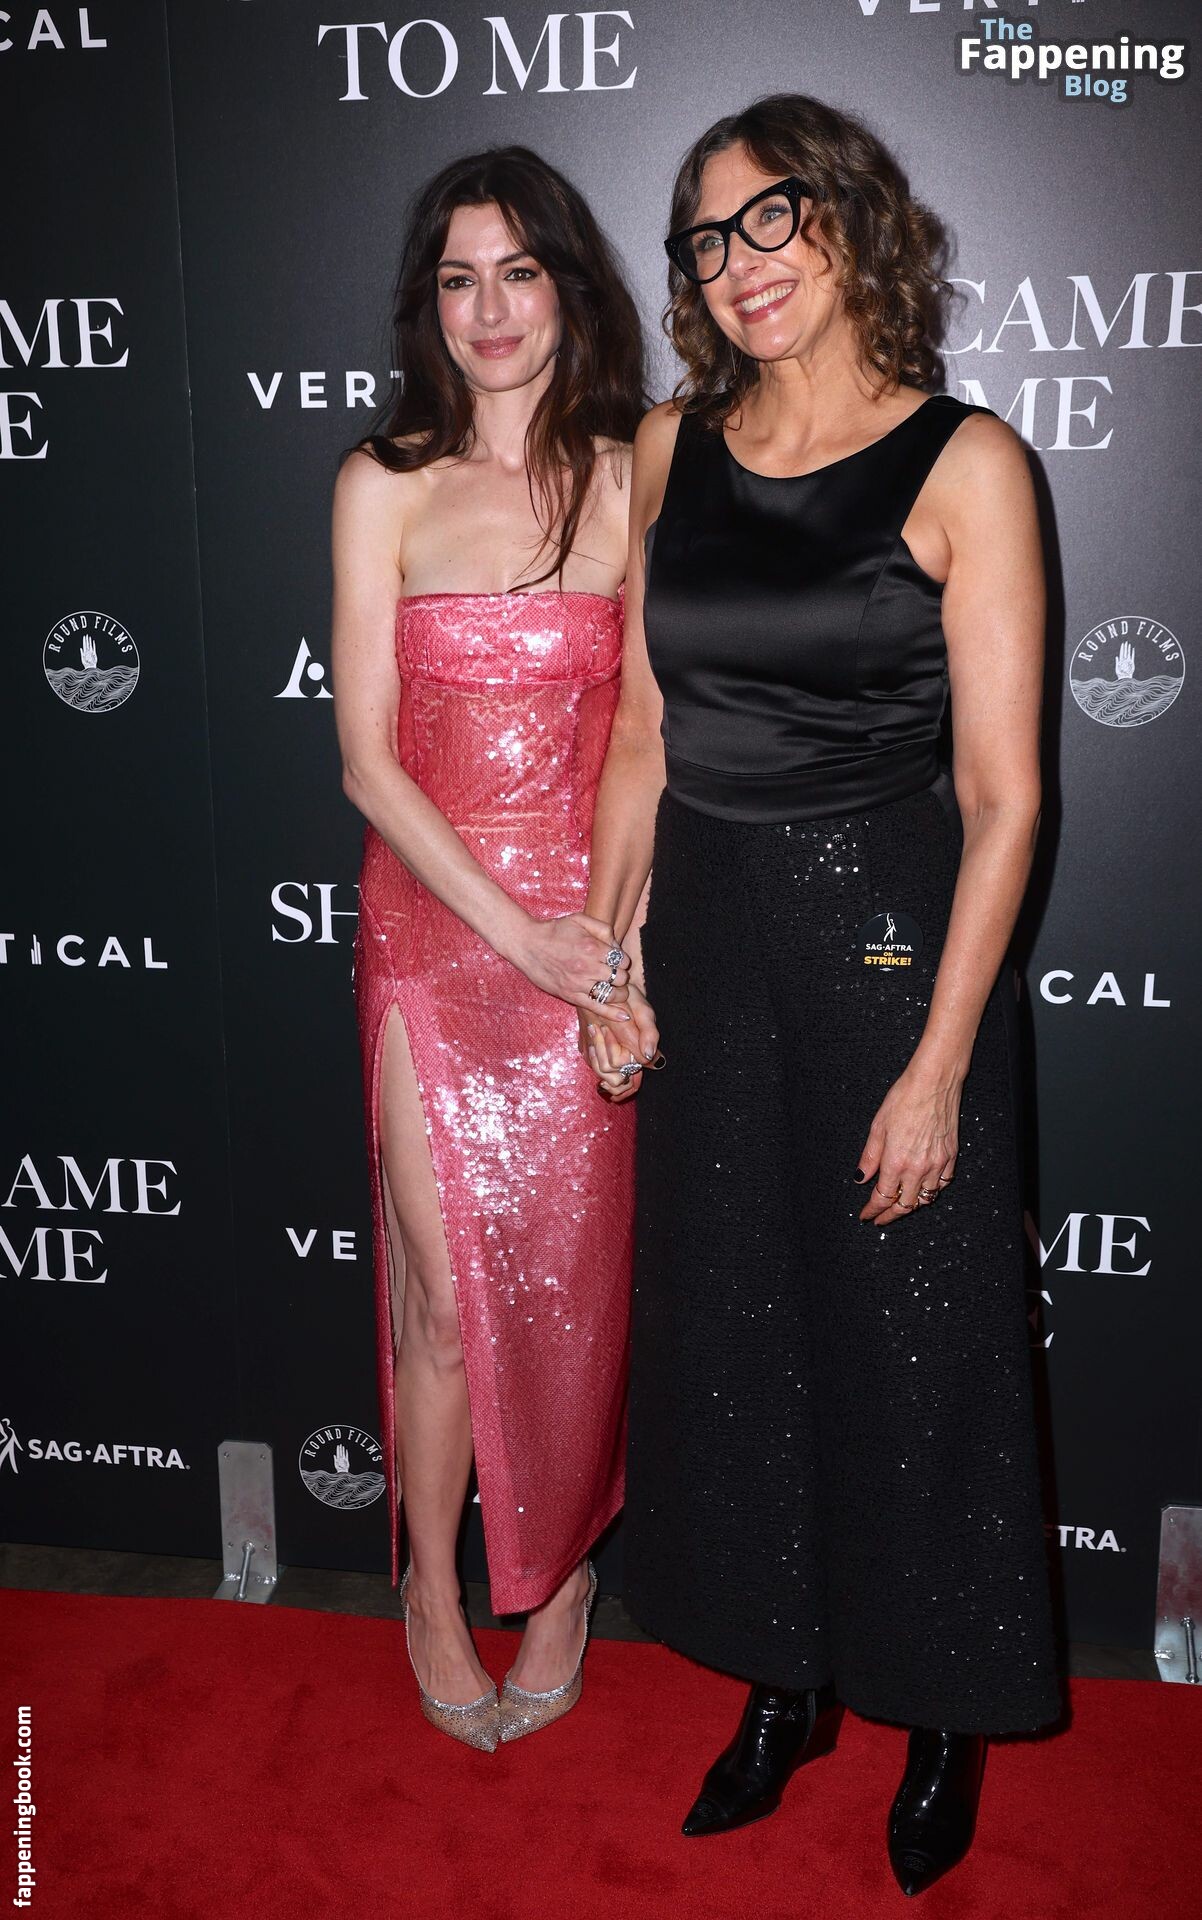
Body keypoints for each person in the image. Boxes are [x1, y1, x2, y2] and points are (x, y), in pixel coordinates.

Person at [583, 95, 1060, 1893]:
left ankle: (939, 1708)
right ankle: (780, 1680)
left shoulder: (964, 461)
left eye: (768, 217)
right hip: (707, 927)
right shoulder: (666, 446)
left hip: (884, 932)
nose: (739, 264)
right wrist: (606, 956)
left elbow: (1003, 799)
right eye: (706, 240)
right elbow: (640, 735)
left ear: (849, 218)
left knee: (914, 1337)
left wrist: (939, 1062)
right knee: (731, 1325)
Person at [332, 146, 646, 1752]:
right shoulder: (380, 483)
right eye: (458, 279)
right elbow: (367, 764)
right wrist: (510, 932)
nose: (490, 309)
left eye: (518, 271)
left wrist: (612, 954)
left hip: (586, 938)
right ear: (427, 306)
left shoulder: (632, 477)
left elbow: (647, 739)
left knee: (576, 1300)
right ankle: (435, 1590)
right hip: (436, 932)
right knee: (448, 1297)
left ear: (565, 288)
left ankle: (566, 1578)